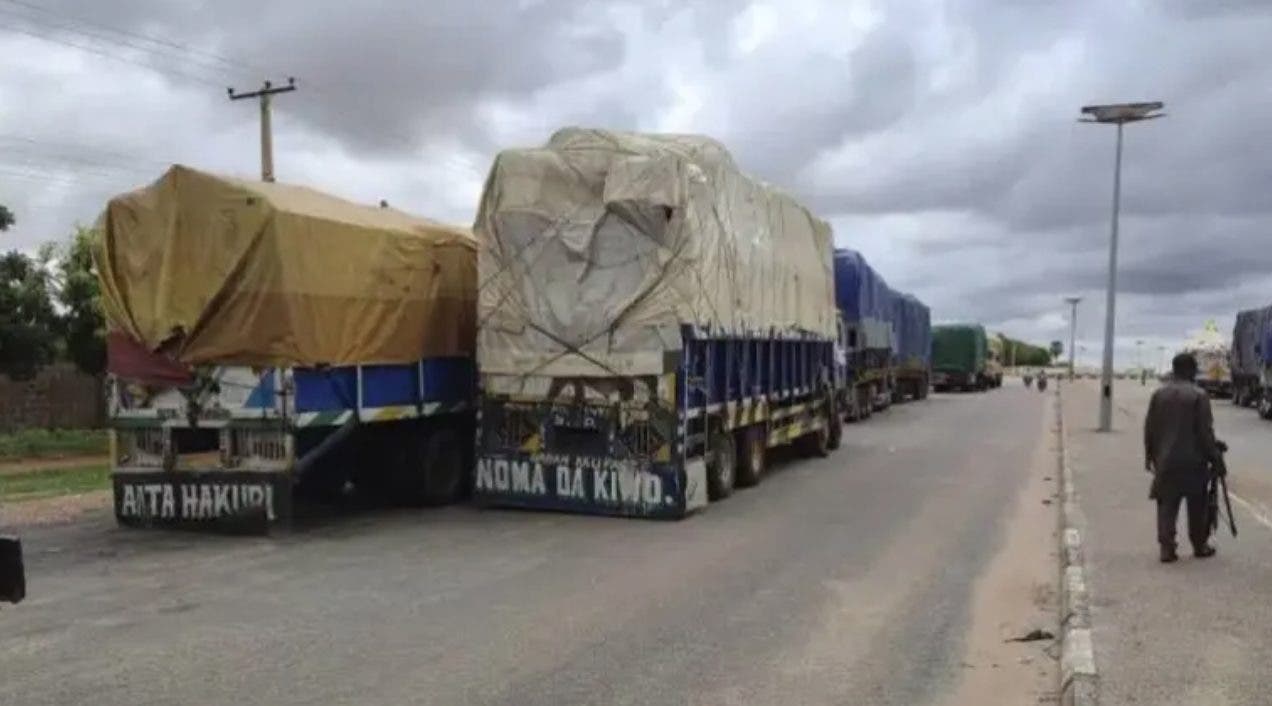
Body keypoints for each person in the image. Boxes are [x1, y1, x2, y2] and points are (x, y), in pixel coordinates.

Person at [1144, 352, 1224, 562]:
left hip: (1166, 460)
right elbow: (1205, 433)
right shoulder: (1199, 395)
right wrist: (1215, 456)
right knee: (1197, 506)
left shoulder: (1159, 395)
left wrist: (1150, 457)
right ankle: (1200, 545)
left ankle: (1167, 549)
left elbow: (1149, 429)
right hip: (1194, 462)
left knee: (1166, 505)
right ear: (1190, 370)